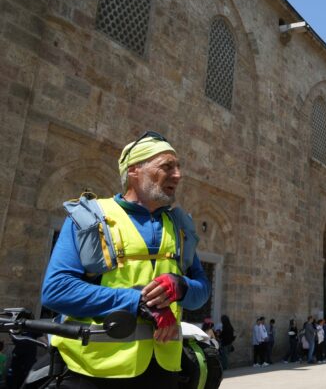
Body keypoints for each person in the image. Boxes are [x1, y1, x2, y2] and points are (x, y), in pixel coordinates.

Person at [40, 131, 210, 387]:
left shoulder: (179, 227)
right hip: (91, 372)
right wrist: (138, 301)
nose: (178, 175)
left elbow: (202, 292)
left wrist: (182, 286)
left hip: (162, 372)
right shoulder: (91, 217)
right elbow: (56, 291)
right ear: (134, 171)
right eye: (167, 166)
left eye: (178, 167)